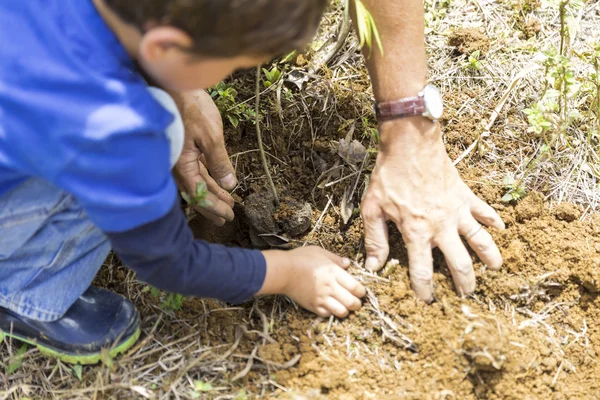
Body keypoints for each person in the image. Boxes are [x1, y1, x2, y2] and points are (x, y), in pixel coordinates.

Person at [0, 0, 368, 365]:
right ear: (164, 47)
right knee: (160, 122)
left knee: (161, 111)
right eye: (232, 66)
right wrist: (290, 273)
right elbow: (170, 262)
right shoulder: (114, 124)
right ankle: (25, 292)